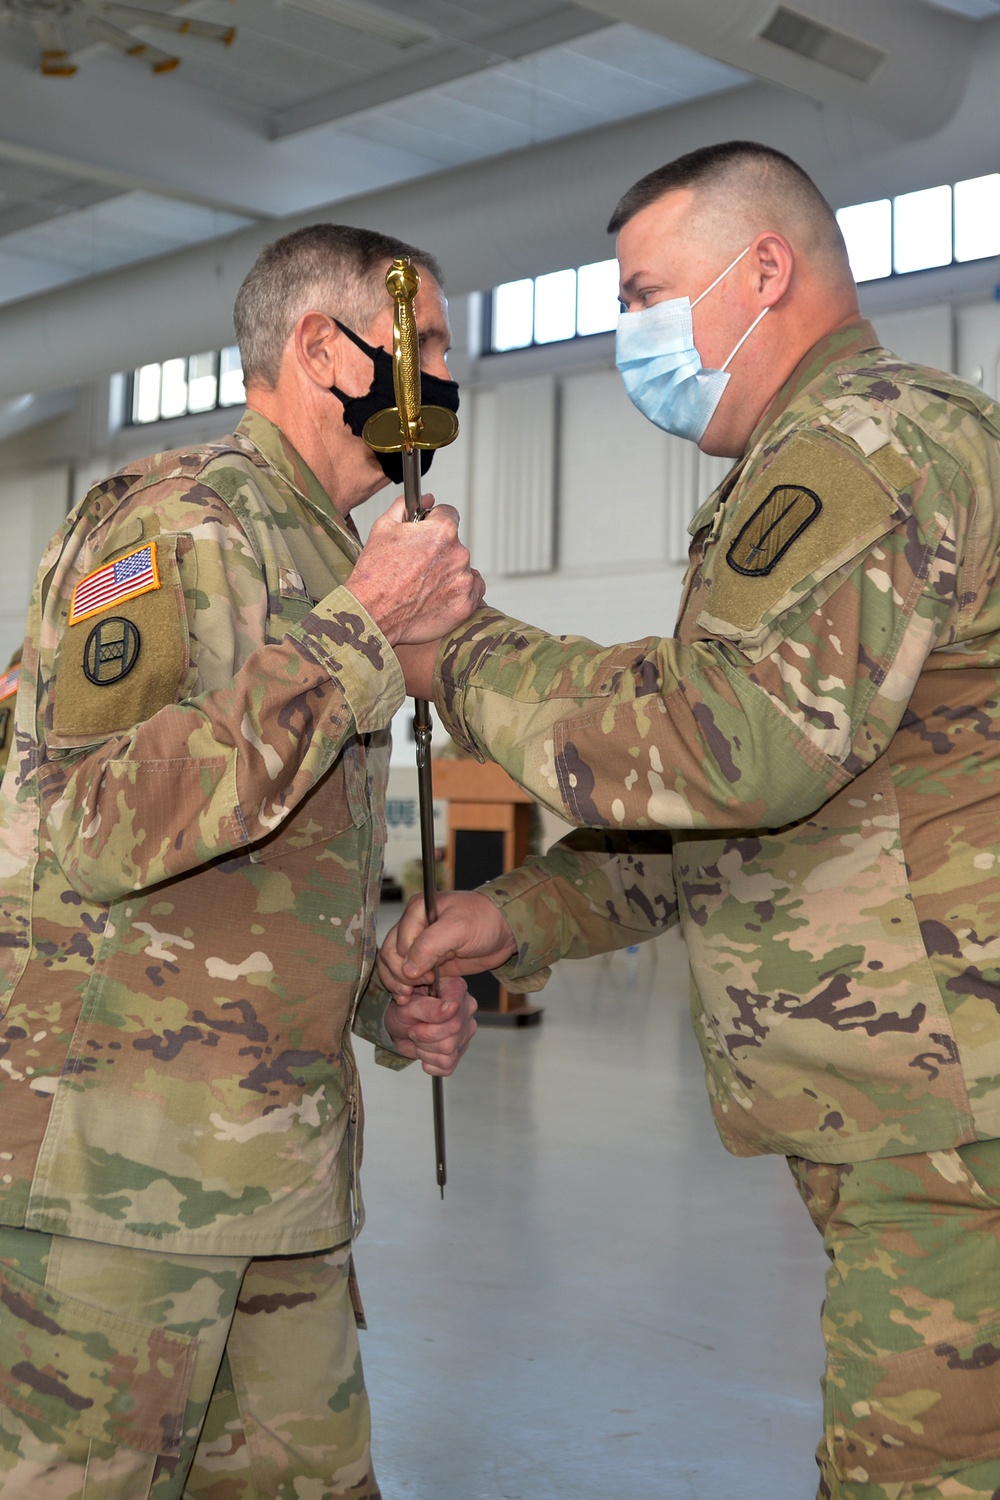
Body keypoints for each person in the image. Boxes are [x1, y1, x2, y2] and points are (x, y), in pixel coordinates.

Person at [382, 142, 1000, 1499]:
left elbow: (737, 752)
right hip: (914, 1106)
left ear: (764, 268)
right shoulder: (812, 462)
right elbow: (746, 824)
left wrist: (461, 655)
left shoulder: (866, 444)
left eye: (647, 291)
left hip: (951, 1120)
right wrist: (518, 914)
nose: (629, 333)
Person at [0, 222, 482, 1500]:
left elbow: (250, 868)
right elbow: (97, 819)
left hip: (276, 1176)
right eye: (423, 341)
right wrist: (363, 629)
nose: (448, 369)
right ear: (323, 350)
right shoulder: (176, 523)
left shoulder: (329, 550)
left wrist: (378, 988)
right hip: (121, 1187)